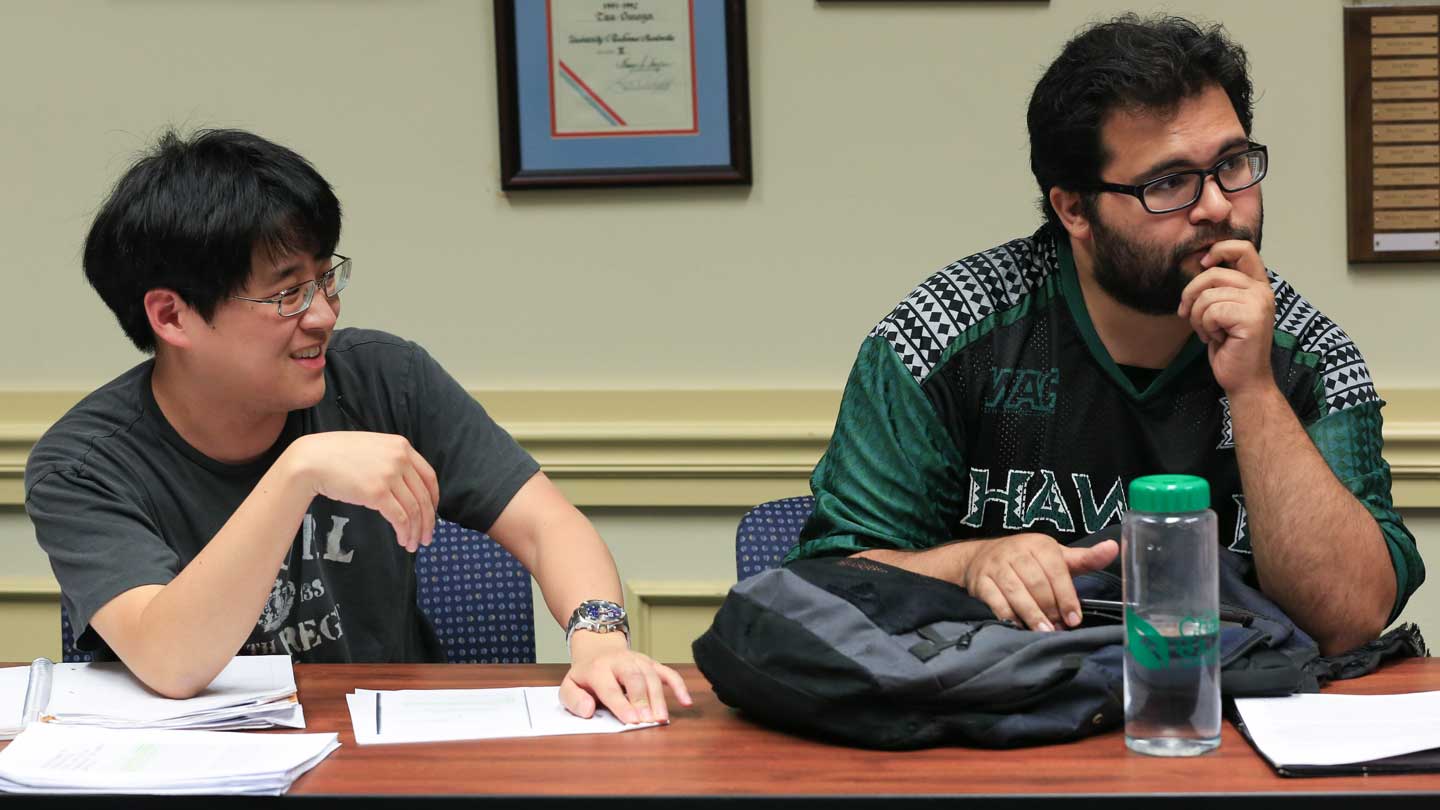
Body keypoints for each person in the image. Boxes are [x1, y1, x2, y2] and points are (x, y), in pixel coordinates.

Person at [787, 14, 1423, 656]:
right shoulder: (942, 335)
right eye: (1168, 182)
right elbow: (826, 583)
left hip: (1232, 716)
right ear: (1073, 209)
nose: (1218, 206)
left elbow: (1350, 619)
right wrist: (969, 563)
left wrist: (1253, 387)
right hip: (1003, 713)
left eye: (1232, 164)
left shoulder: (1308, 353)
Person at [24, 128, 690, 723]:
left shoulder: (383, 377)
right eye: (287, 294)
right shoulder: (83, 464)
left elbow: (548, 525)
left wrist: (599, 639)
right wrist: (298, 470)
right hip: (195, 768)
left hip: (392, 748)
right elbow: (171, 663)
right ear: (172, 318)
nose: (322, 316)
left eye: (325, 279)